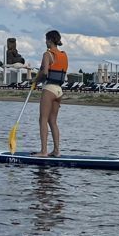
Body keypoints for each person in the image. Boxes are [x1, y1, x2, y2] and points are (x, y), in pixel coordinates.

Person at [35, 29, 67, 157]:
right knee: (52, 121)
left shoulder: (47, 54)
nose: (45, 42)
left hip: (49, 89)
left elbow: (44, 73)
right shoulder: (64, 55)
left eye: (46, 39)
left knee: (43, 119)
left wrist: (34, 80)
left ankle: (43, 151)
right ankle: (56, 150)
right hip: (59, 91)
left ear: (49, 40)